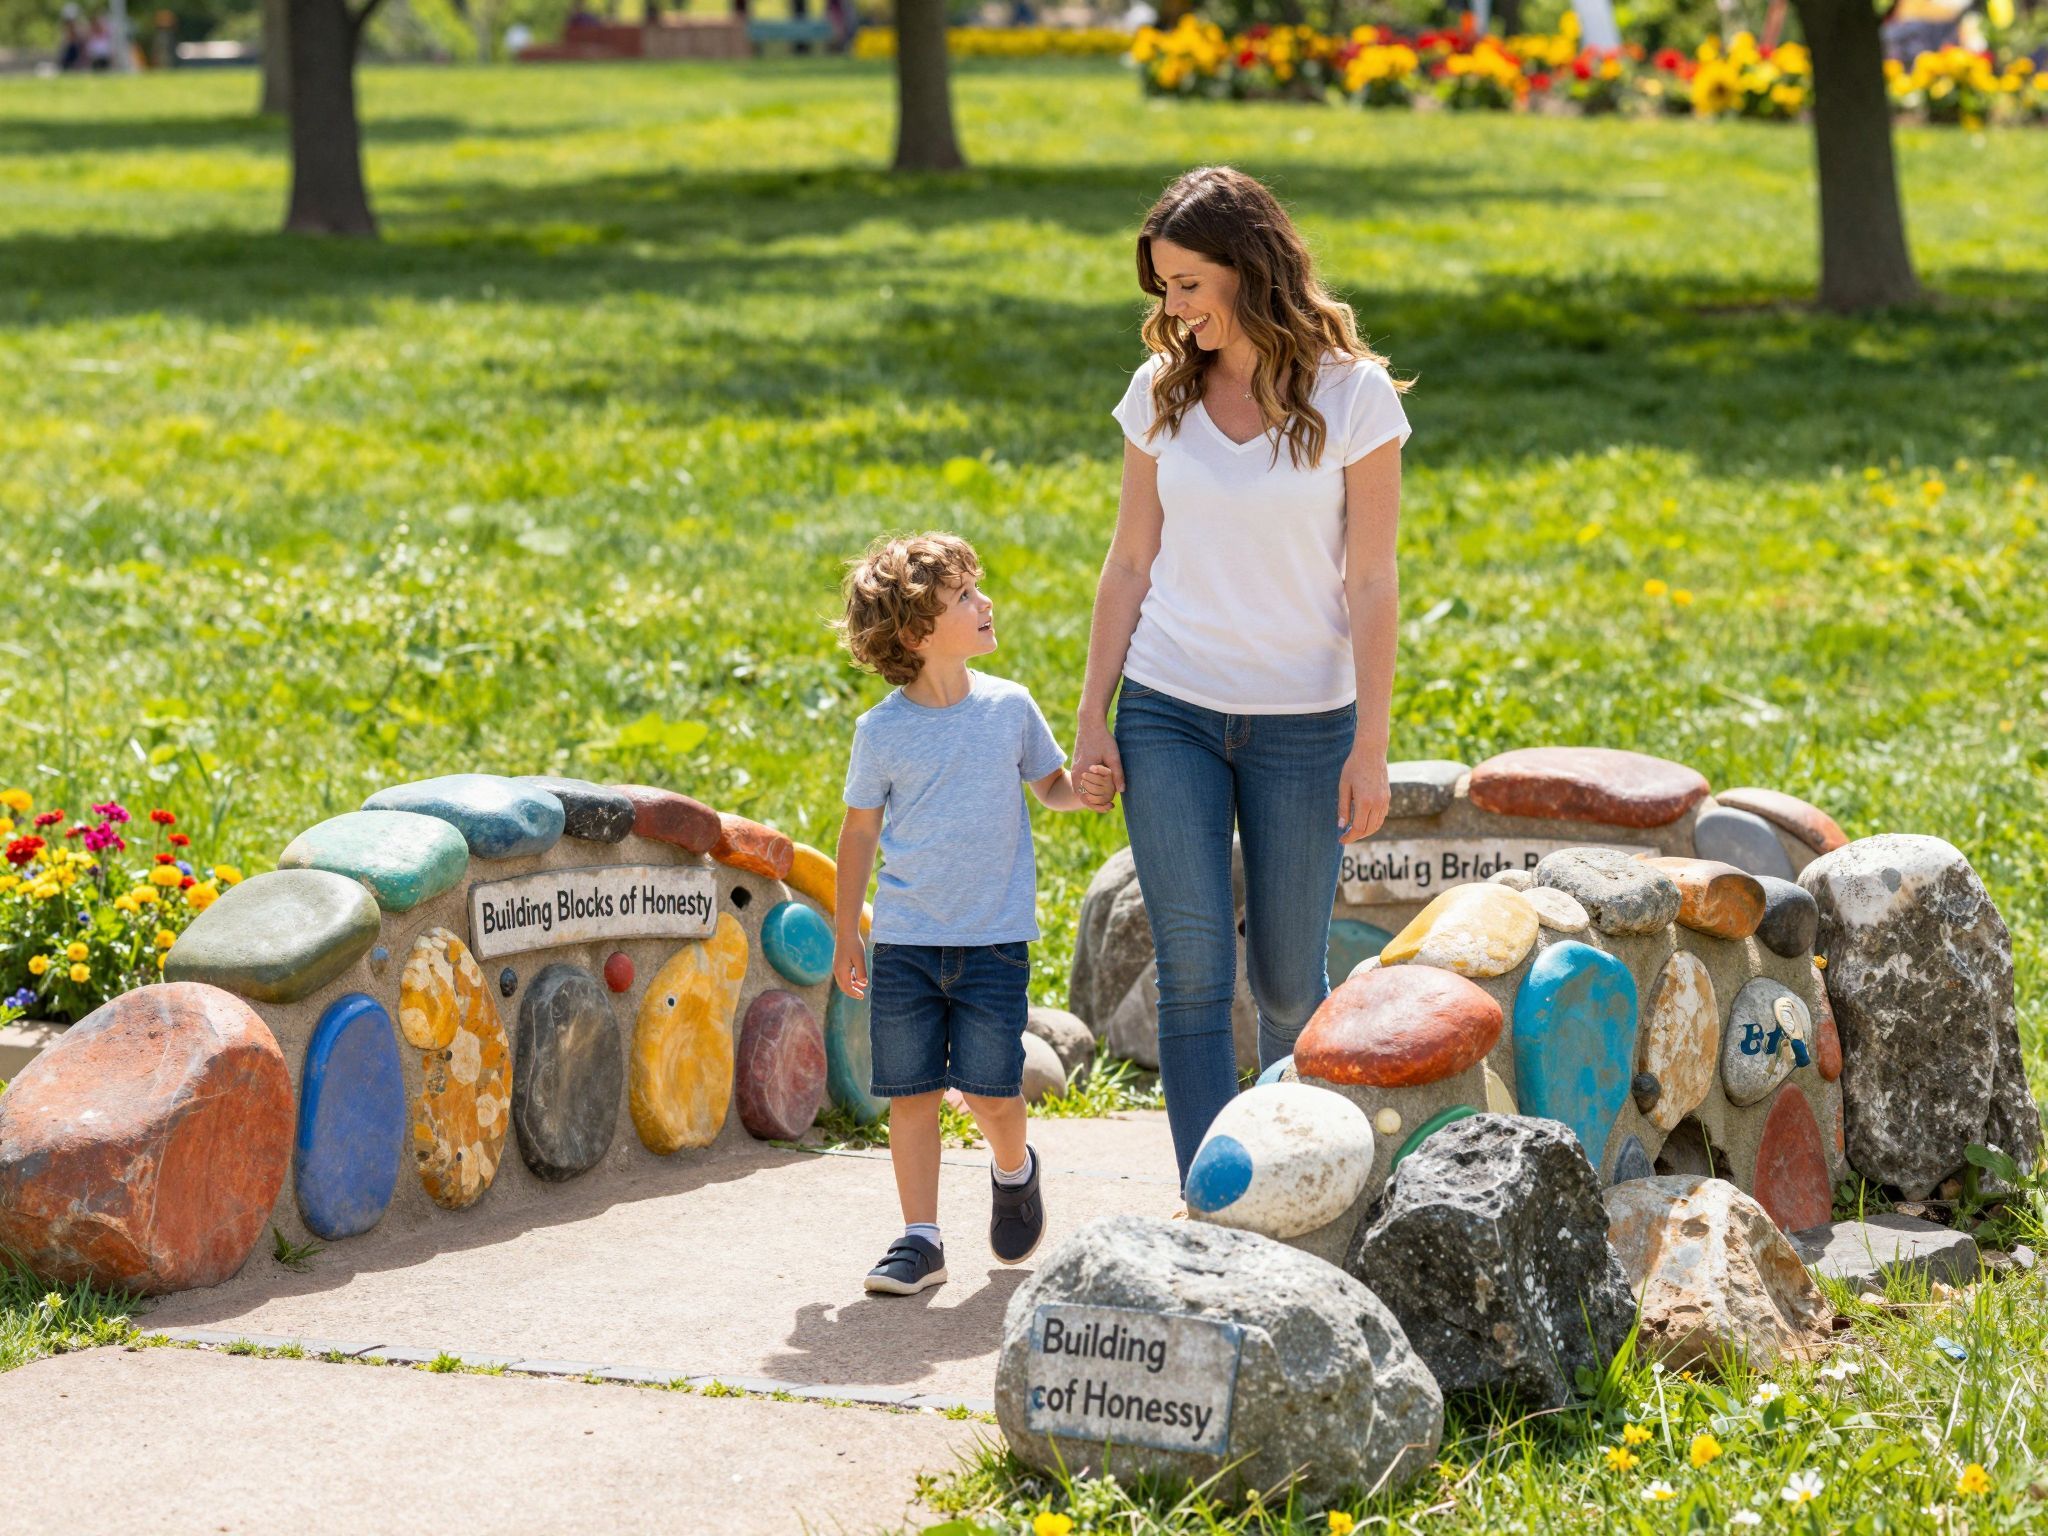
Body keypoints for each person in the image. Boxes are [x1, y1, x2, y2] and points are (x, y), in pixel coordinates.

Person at [1072, 165, 1411, 1186]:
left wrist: (1369, 744)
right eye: (1161, 290)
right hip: (1168, 707)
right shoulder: (1159, 393)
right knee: (1190, 974)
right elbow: (1128, 562)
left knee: (1284, 986)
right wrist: (1092, 716)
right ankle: (1205, 1203)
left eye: (1186, 285)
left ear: (1246, 268)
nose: (1171, 310)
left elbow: (1371, 578)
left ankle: (1287, 1190)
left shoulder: (1351, 397)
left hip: (1303, 724)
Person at [830, 532, 1109, 1296]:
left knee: (994, 1093)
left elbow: (1047, 784)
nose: (987, 604)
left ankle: (1014, 1170)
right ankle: (921, 1240)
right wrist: (847, 929)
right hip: (908, 943)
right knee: (913, 1095)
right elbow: (859, 832)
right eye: (966, 598)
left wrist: (1077, 792)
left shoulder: (1010, 708)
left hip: (993, 942)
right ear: (918, 633)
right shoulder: (881, 732)